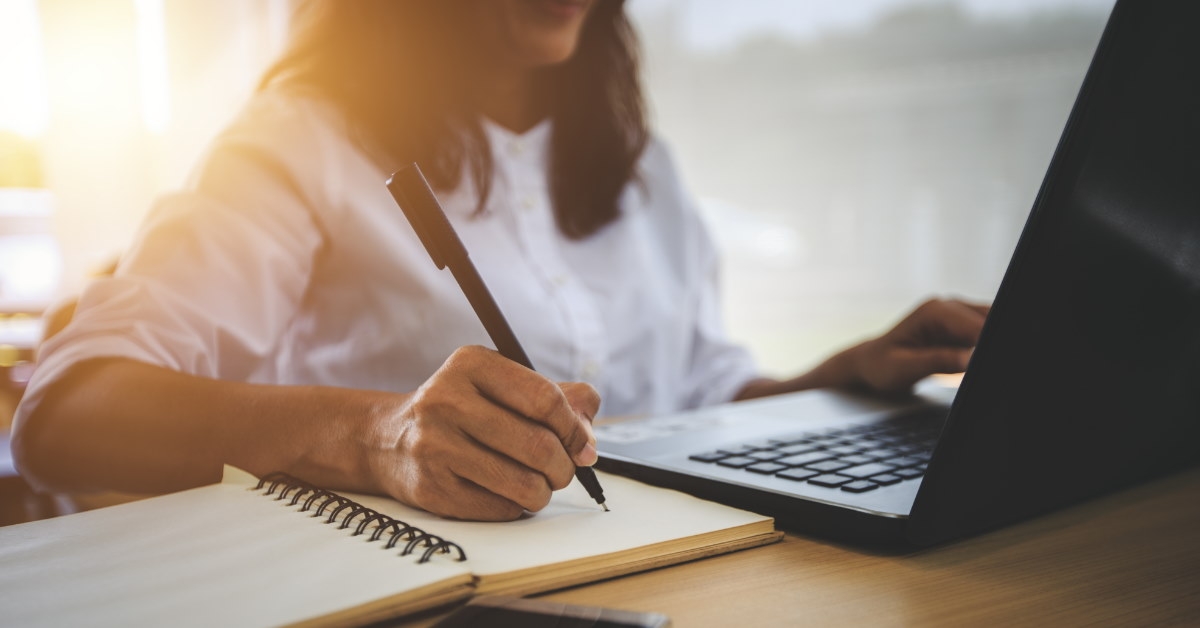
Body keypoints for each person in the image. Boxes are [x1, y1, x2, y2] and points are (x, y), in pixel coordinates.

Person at [11, 0, 988, 522]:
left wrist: (842, 375)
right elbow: (65, 413)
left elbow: (695, 390)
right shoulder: (296, 143)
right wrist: (376, 435)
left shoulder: (640, 163)